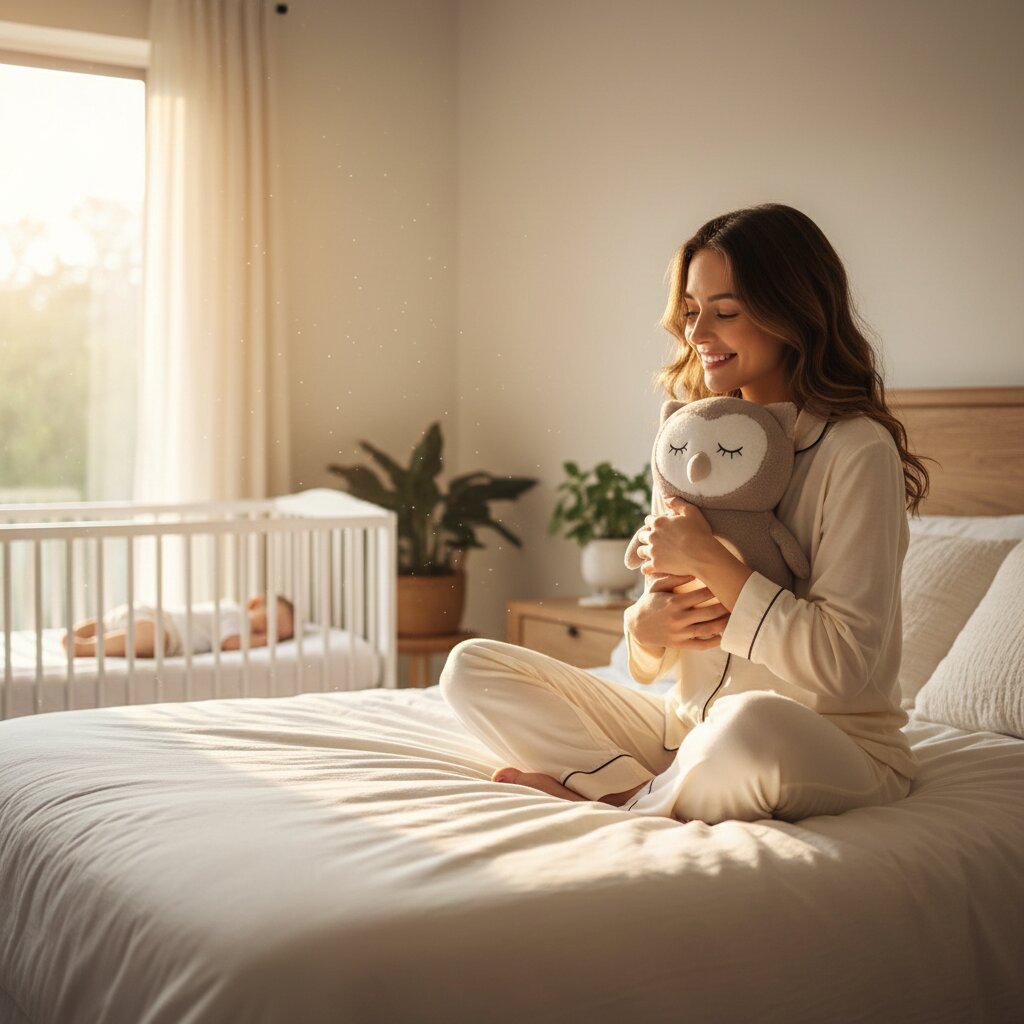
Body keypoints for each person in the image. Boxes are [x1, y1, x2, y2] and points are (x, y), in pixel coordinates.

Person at [440, 203, 932, 825]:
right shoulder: (688, 438)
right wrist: (645, 627)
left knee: (748, 723)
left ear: (795, 313)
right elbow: (663, 640)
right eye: (692, 313)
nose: (699, 334)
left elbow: (841, 668)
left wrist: (707, 558)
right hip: (684, 729)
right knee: (472, 667)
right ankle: (631, 795)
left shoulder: (856, 449)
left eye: (725, 312)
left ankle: (625, 801)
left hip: (824, 741)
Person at [63, 594, 295, 658]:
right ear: (254, 604)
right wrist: (263, 642)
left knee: (110, 625)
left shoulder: (229, 610)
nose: (267, 634)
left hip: (148, 615)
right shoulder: (236, 616)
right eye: (269, 624)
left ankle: (77, 632)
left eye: (278, 636)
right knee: (151, 640)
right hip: (164, 627)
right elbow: (231, 644)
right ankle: (86, 648)